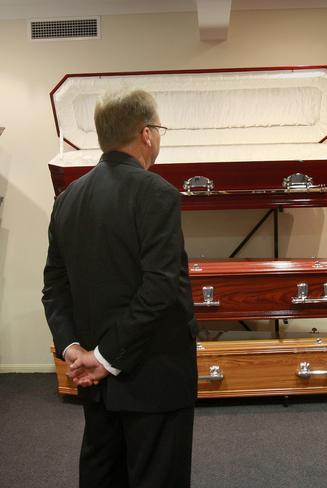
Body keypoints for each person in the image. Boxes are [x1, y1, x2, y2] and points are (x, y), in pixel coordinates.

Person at [42, 89, 198, 488]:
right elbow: (160, 290)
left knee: (102, 473)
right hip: (152, 375)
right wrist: (104, 357)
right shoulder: (157, 192)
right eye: (159, 129)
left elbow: (54, 288)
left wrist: (73, 348)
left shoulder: (68, 198)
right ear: (146, 134)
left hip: (94, 381)